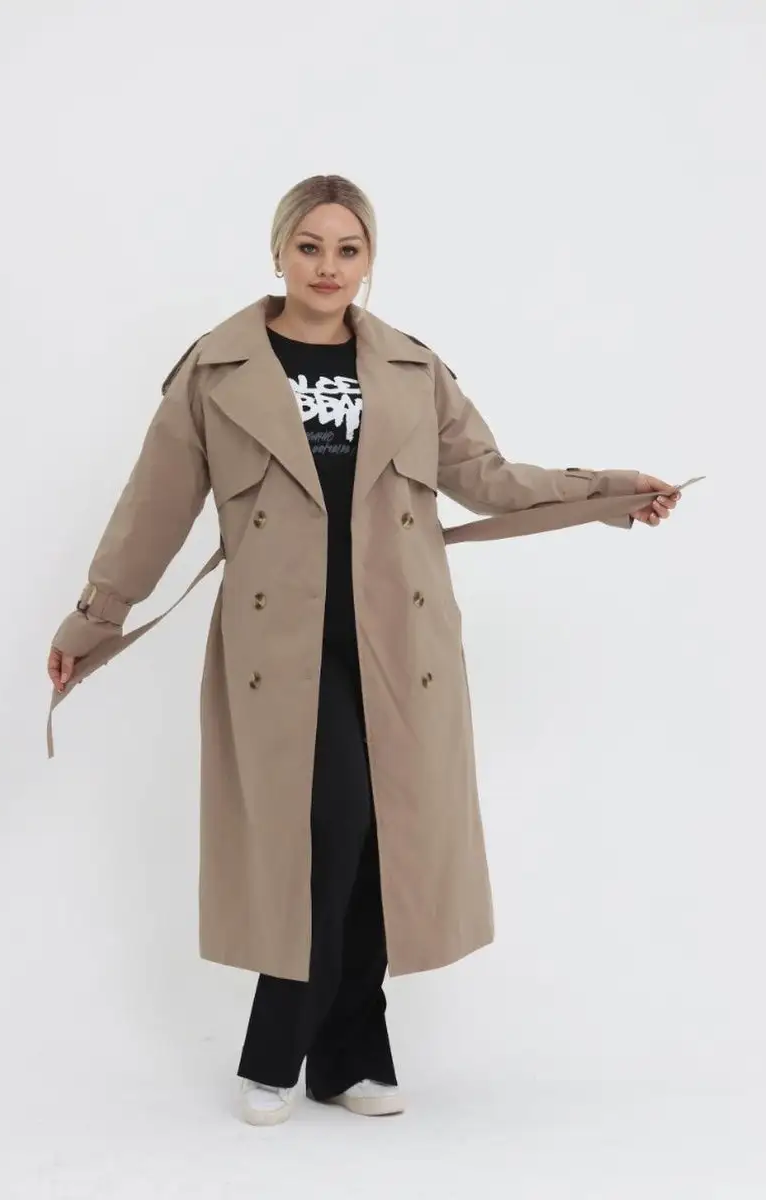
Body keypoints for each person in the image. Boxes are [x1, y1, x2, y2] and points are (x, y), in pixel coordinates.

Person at [46, 174, 683, 1127]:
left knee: (379, 840)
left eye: (348, 250)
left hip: (400, 639)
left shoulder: (411, 369)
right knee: (327, 829)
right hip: (280, 647)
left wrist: (611, 492)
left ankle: (349, 1059)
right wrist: (93, 621)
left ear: (369, 260)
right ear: (278, 252)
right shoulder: (216, 370)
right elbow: (153, 509)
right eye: (310, 247)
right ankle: (275, 1054)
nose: (328, 267)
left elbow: (487, 477)